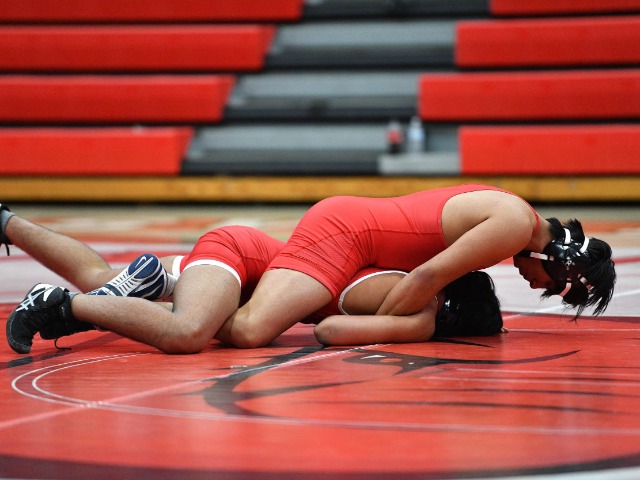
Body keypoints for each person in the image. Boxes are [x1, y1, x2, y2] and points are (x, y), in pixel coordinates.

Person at [1, 204, 503, 354]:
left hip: (253, 262)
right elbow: (331, 331)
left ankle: (6, 221)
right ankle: (61, 304)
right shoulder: (422, 307)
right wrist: (418, 329)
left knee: (101, 277)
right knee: (187, 332)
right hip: (240, 258)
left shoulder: (412, 275)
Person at [212, 184, 616, 349]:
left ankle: (203, 285)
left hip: (363, 246)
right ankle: (195, 309)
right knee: (252, 331)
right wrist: (386, 327)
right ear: (560, 264)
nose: (536, 288)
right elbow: (426, 277)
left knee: (266, 308)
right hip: (348, 235)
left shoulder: (516, 217)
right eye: (552, 286)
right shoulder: (514, 226)